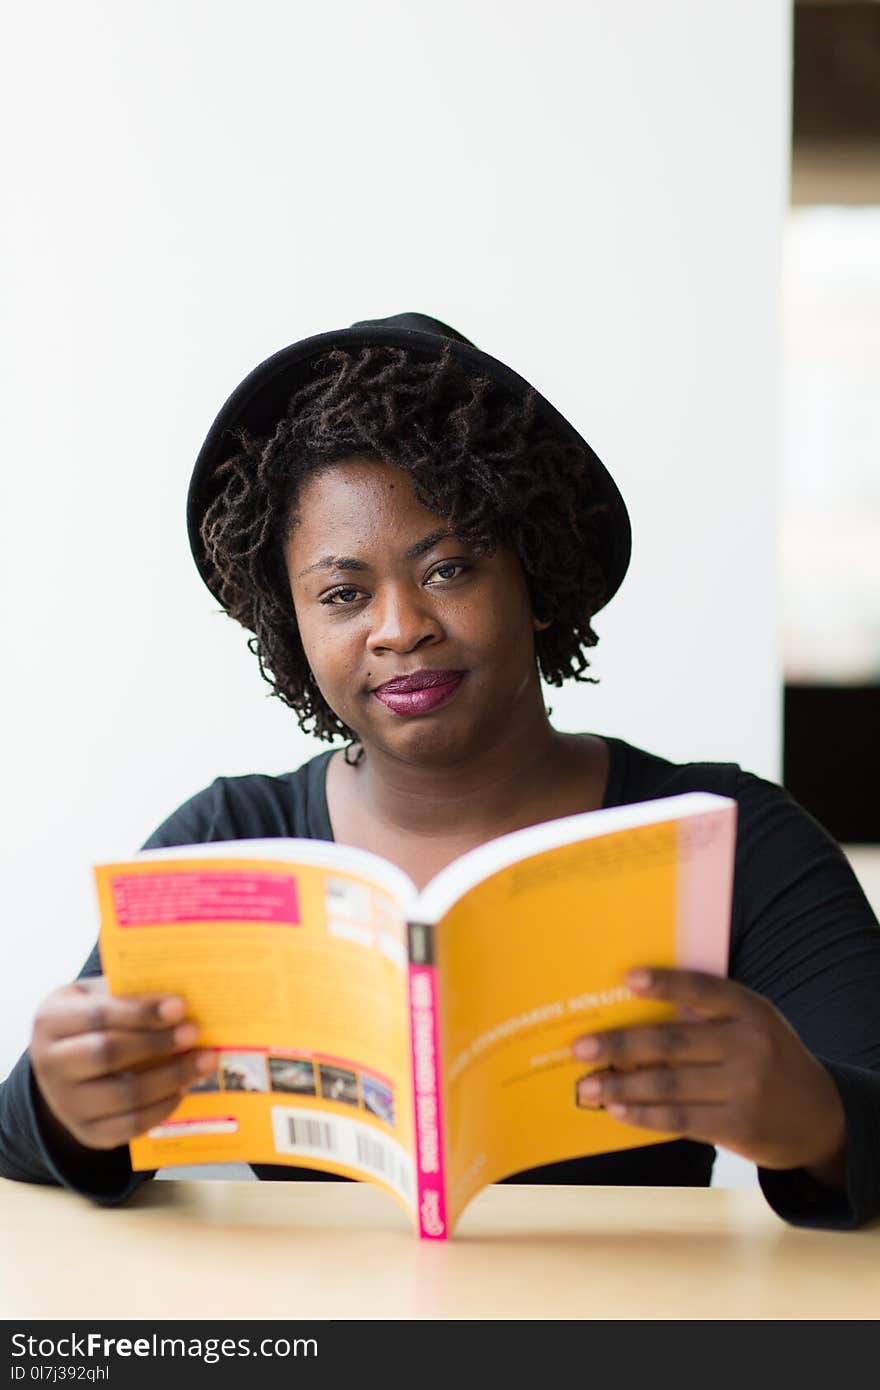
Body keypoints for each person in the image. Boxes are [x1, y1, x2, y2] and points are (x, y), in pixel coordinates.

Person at [2, 312, 879, 1228]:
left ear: (535, 580)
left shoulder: (731, 840)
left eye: (450, 568)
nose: (399, 626)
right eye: (343, 595)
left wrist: (814, 1116)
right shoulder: (229, 844)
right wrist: (70, 1104)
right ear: (293, 631)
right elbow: (17, 1135)